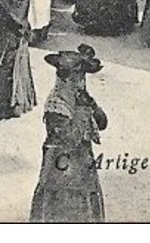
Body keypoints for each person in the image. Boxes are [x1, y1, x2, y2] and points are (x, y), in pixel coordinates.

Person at [30, 44, 108, 223]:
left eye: (81, 78)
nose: (80, 82)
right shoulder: (56, 103)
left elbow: (102, 123)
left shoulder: (79, 96)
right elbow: (68, 138)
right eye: (76, 77)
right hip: (61, 165)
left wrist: (92, 106)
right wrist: (81, 110)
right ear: (64, 78)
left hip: (82, 163)